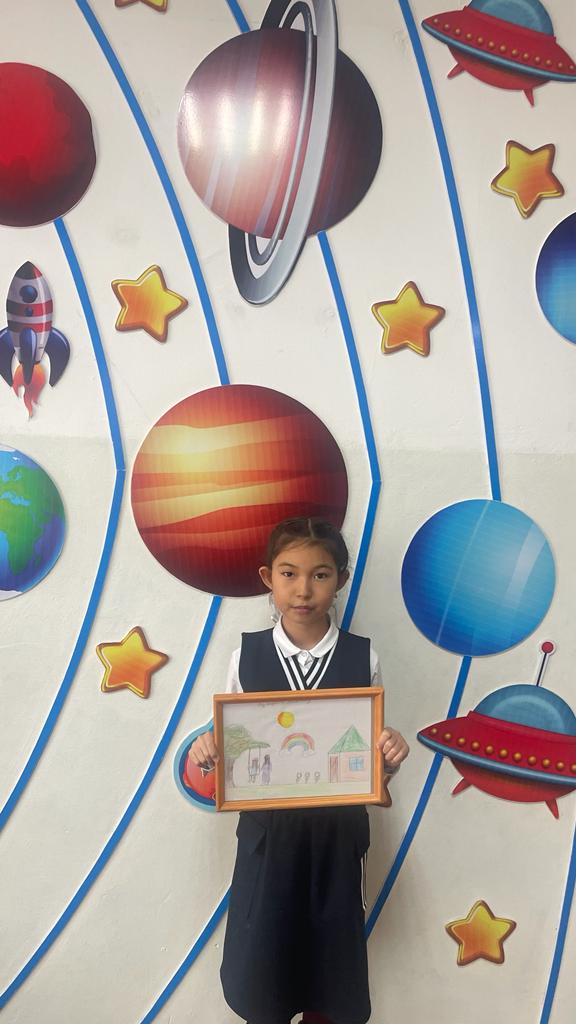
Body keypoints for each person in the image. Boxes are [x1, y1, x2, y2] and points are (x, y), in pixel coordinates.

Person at [189, 517, 409, 1024]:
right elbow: (234, 746)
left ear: (341, 579)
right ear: (268, 578)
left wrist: (388, 758)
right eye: (289, 574)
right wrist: (210, 747)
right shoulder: (246, 655)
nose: (303, 590)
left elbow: (368, 768)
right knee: (264, 962)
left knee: (330, 965)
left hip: (336, 839)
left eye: (320, 575)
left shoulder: (362, 657)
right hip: (268, 838)